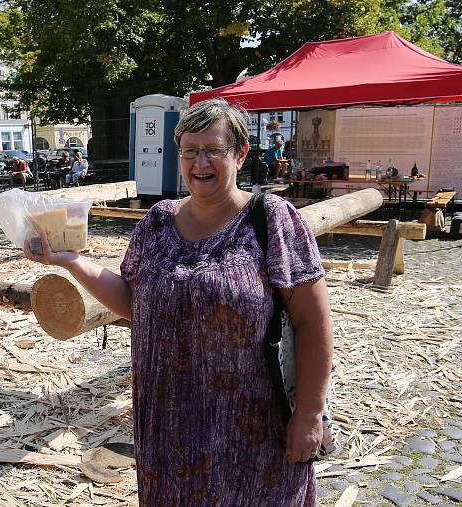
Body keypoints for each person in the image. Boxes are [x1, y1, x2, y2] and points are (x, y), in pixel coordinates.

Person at [23, 98, 333, 505]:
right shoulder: (158, 221)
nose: (199, 162)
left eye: (213, 150)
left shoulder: (271, 218)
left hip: (255, 428)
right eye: (189, 150)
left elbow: (312, 321)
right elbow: (135, 302)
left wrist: (309, 414)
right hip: (167, 425)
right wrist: (71, 261)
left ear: (239, 154)